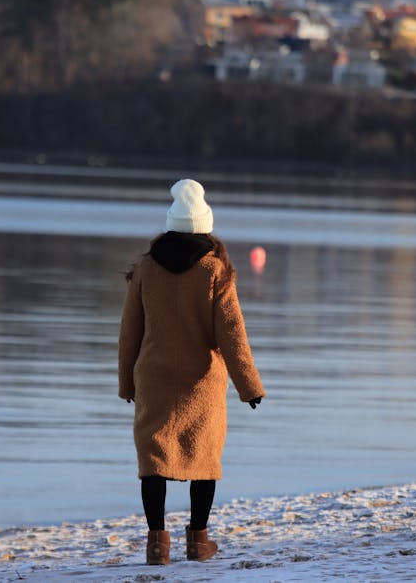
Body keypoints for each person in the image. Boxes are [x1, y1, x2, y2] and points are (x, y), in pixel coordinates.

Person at [118, 178, 266, 566]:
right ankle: (198, 541)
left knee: (153, 459)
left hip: (154, 378)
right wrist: (249, 387)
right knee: (204, 459)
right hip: (203, 380)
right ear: (205, 226)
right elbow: (232, 333)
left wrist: (126, 383)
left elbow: (130, 331)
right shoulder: (215, 269)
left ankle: (157, 545)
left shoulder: (146, 269)